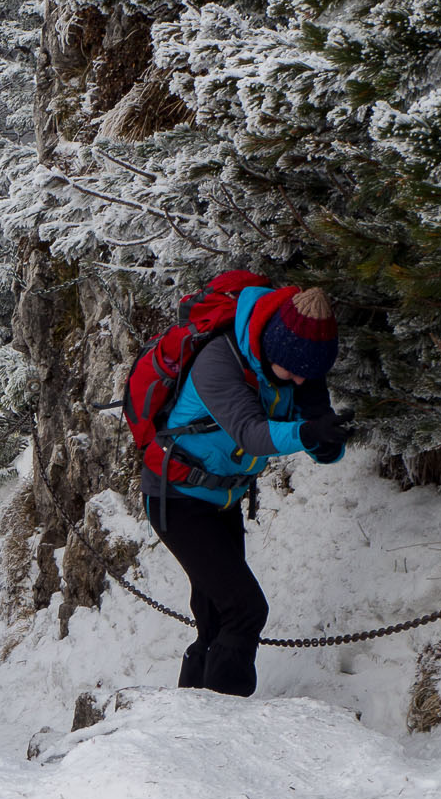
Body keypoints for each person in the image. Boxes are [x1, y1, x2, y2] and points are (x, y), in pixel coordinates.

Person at [139, 284, 354, 697]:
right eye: (292, 371)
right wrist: (308, 433)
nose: (301, 379)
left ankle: (188, 711)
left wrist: (328, 442)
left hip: (224, 499)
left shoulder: (300, 366)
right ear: (272, 347)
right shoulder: (218, 361)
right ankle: (228, 719)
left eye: (309, 372)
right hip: (177, 498)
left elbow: (316, 428)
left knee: (217, 615)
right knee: (245, 610)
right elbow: (252, 434)